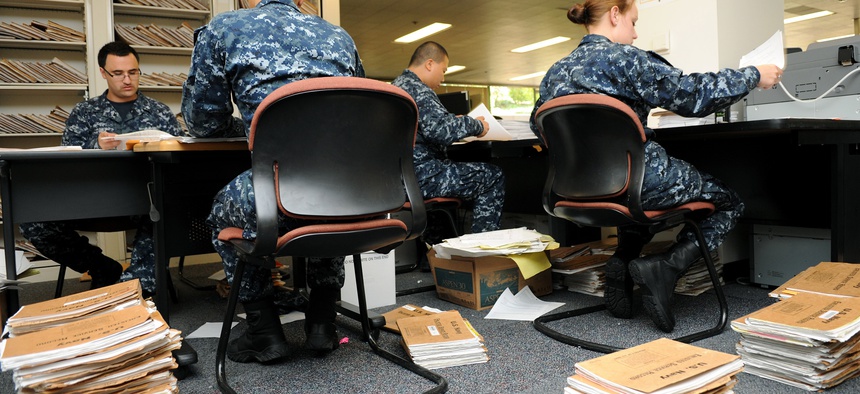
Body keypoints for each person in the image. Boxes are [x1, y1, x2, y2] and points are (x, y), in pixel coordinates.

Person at [530, 0, 782, 332]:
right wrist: (753, 75)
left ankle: (623, 260)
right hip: (637, 182)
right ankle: (665, 266)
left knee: (630, 191)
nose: (635, 34)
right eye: (633, 22)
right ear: (615, 14)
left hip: (574, 191)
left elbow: (539, 127)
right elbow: (692, 95)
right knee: (729, 201)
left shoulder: (555, 73)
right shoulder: (628, 60)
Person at [181, 0, 364, 364]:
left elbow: (203, 123)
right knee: (327, 203)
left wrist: (250, 126)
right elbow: (358, 111)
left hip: (275, 188)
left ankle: (264, 332)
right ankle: (322, 323)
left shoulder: (224, 29)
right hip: (349, 190)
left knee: (223, 211)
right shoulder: (340, 36)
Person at [19, 41, 182, 295]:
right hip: (92, 200)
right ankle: (103, 268)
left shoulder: (159, 112)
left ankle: (136, 285)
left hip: (143, 200)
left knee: (166, 209)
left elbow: (178, 157)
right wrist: (94, 144)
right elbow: (66, 157)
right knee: (32, 221)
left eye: (133, 72)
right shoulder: (85, 112)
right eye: (118, 73)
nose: (127, 80)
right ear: (103, 73)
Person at [391, 41, 505, 246]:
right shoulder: (420, 91)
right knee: (492, 176)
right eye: (443, 71)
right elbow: (440, 131)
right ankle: (482, 250)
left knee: (443, 179)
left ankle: (436, 254)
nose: (443, 79)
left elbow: (429, 127)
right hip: (422, 177)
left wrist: (453, 120)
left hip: (398, 179)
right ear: (429, 64)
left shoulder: (397, 86)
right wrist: (476, 125)